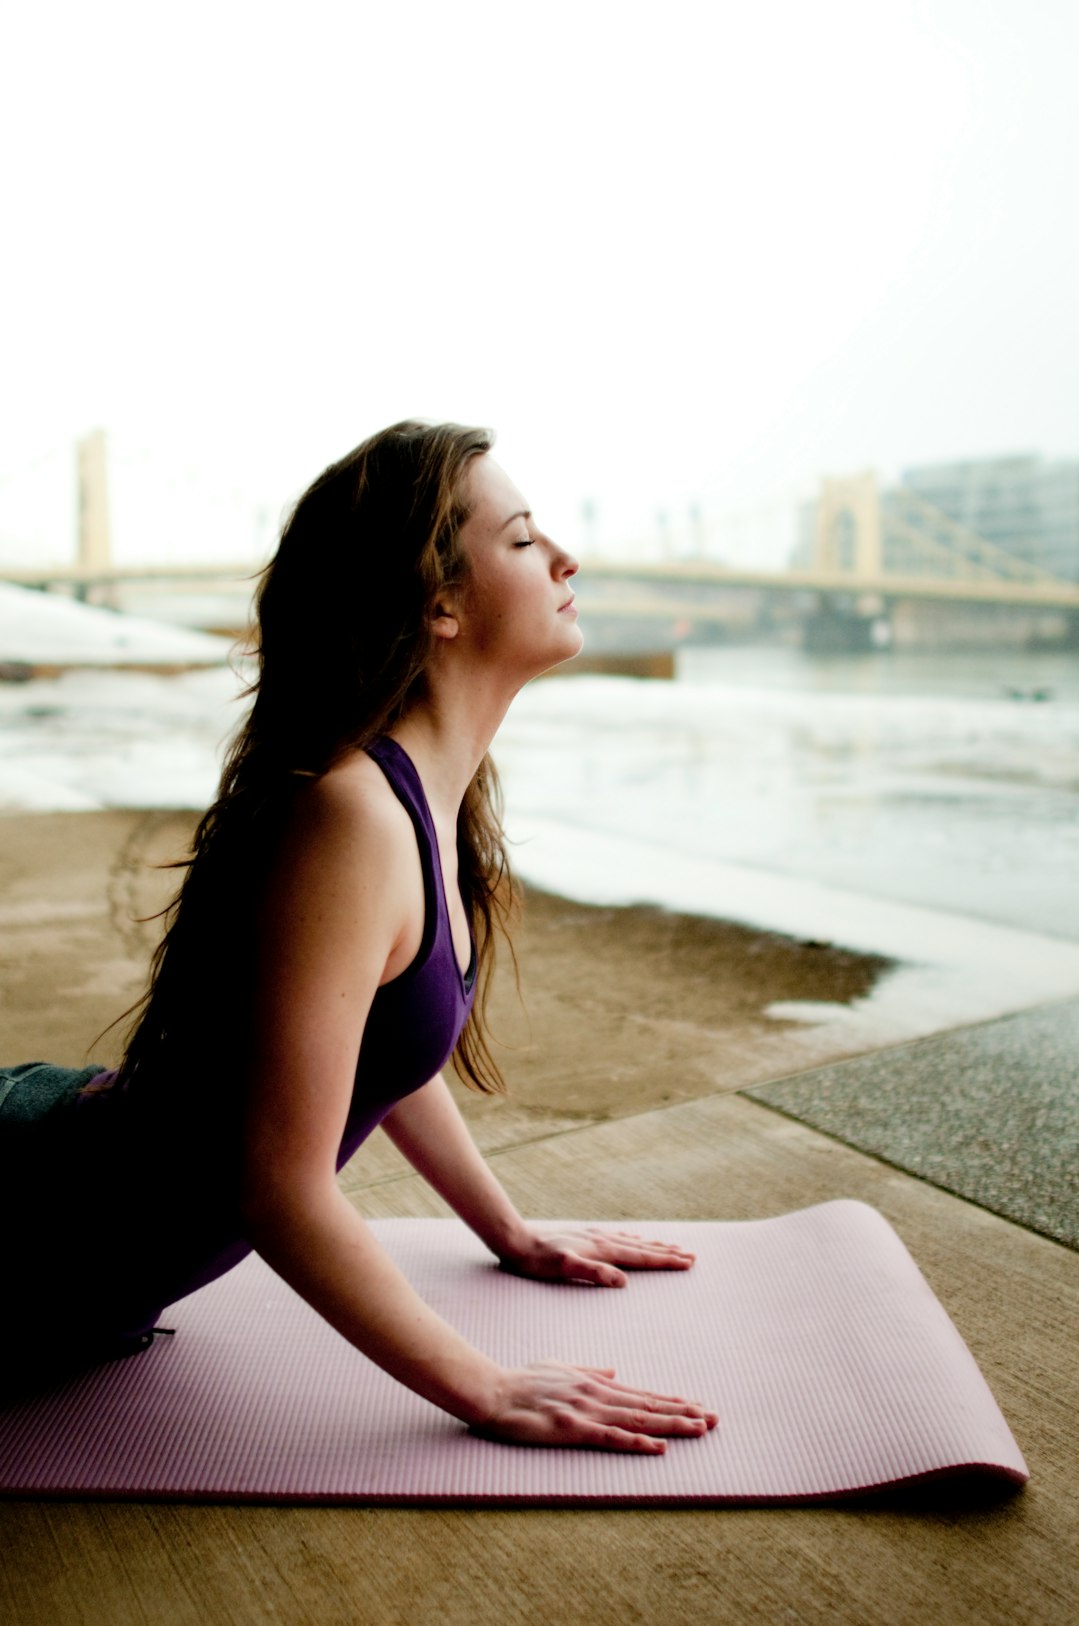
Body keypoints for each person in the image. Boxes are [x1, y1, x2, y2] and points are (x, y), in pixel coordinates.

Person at [1, 420, 717, 1453]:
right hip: (26, 1226)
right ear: (439, 605)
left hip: (69, 1230)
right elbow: (279, 1188)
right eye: (521, 541)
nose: (566, 558)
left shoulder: (421, 799)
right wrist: (487, 1388)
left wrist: (506, 1229)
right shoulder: (354, 816)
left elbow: (377, 1044)